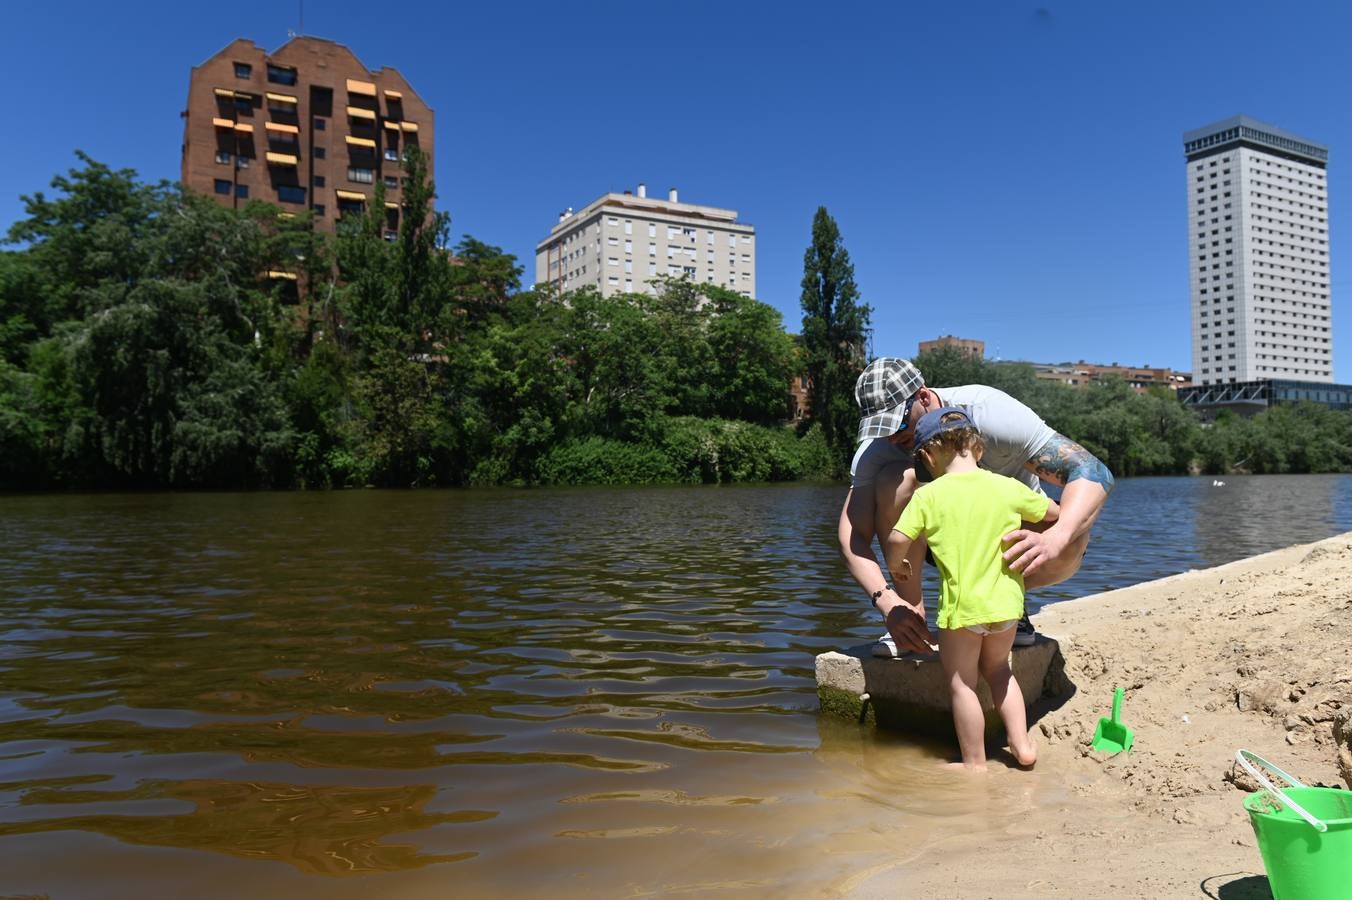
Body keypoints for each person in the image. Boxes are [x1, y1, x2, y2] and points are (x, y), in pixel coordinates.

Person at [838, 357, 1114, 657]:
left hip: (1015, 548)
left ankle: (1011, 606)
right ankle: (912, 619)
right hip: (942, 544)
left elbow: (1092, 472)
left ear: (924, 396)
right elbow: (852, 537)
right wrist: (887, 602)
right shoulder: (881, 448)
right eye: (882, 428)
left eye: (898, 423)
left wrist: (1055, 539)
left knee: (1072, 534)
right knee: (895, 480)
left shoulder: (992, 415)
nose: (892, 438)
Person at [891, 406, 1059, 770]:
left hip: (961, 612)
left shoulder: (928, 496)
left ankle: (974, 762)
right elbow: (1054, 514)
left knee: (963, 684)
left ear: (929, 455)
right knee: (1000, 671)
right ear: (977, 448)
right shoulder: (1006, 487)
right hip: (1006, 608)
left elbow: (896, 537)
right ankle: (1023, 746)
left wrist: (897, 565)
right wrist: (1031, 535)